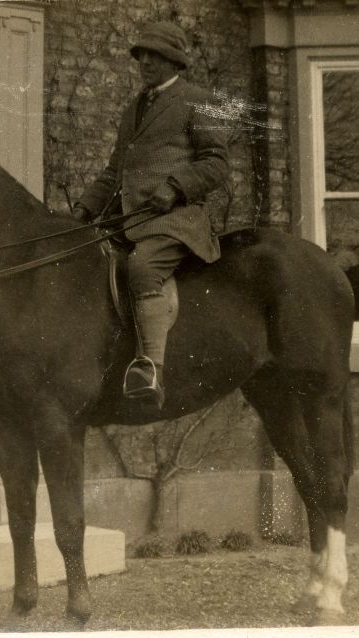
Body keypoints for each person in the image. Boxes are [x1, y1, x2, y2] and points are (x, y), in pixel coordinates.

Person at [72, 21, 230, 408]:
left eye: (154, 55)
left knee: (142, 267)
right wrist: (82, 210)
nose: (145, 62)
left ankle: (150, 369)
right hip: (131, 219)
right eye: (141, 55)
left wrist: (175, 187)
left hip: (176, 218)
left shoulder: (197, 100)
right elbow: (114, 171)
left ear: (174, 61)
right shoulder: (134, 109)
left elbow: (217, 164)